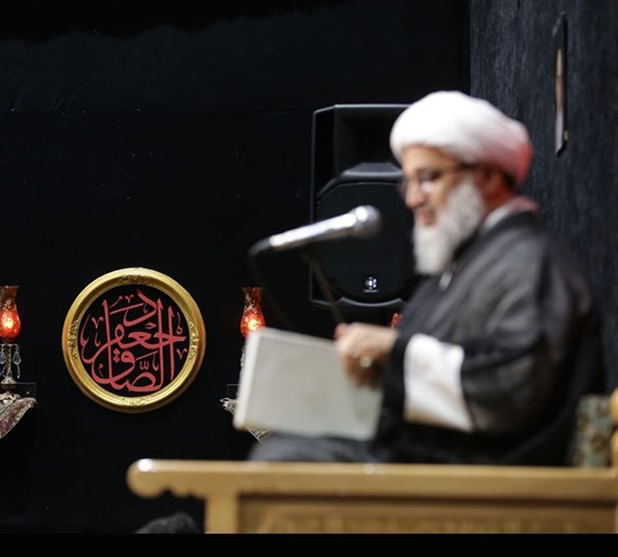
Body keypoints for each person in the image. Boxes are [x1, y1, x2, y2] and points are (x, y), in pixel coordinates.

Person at [248, 90, 605, 466]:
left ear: (486, 176)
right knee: (288, 440)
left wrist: (393, 351)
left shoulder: (528, 262)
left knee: (285, 458)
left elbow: (513, 390)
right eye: (408, 183)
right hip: (441, 456)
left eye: (428, 178)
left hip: (489, 474)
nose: (412, 199)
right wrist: (374, 363)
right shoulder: (467, 264)